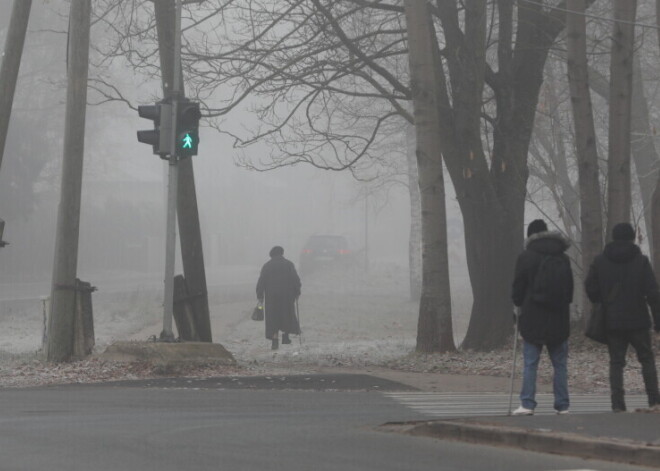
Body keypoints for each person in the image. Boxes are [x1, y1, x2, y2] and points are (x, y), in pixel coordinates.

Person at [585, 222, 660, 412]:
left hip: (613, 319)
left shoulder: (600, 261)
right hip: (638, 319)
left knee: (616, 362)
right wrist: (658, 322)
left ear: (613, 237)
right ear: (632, 237)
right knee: (646, 359)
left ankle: (618, 404)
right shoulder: (641, 261)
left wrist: (602, 300)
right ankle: (654, 400)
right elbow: (653, 293)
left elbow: (590, 288)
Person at [511, 219, 573, 415]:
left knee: (530, 363)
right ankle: (562, 405)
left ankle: (527, 404)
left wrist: (518, 306)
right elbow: (570, 291)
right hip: (559, 318)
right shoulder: (563, 258)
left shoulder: (526, 257)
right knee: (560, 365)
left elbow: (517, 290)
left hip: (532, 318)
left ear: (530, 236)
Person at [256, 246, 301, 350]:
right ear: (282, 253)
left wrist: (260, 296)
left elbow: (261, 282)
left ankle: (275, 339)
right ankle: (285, 336)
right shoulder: (289, 264)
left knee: (273, 317)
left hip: (272, 297)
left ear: (271, 254)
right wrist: (297, 292)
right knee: (286, 315)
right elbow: (296, 280)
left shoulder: (267, 266)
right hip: (287, 296)